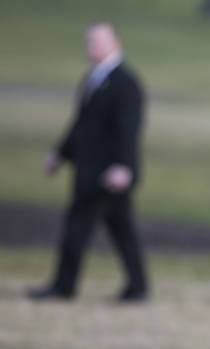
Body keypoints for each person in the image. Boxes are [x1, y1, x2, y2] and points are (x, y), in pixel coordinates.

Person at [28, 23, 148, 302]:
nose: (90, 46)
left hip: (107, 173)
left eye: (97, 41)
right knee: (122, 230)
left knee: (77, 226)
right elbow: (82, 125)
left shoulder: (125, 83)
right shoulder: (93, 79)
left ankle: (63, 286)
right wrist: (60, 154)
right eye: (88, 41)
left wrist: (123, 166)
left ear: (115, 43)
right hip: (91, 169)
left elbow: (128, 130)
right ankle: (138, 287)